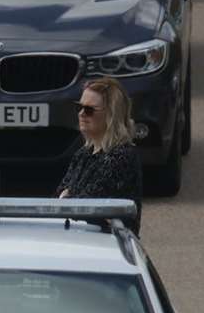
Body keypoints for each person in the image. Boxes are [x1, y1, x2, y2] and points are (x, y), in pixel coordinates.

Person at [57, 78, 144, 234]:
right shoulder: (83, 153)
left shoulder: (122, 156)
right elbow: (59, 198)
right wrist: (67, 200)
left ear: (111, 115)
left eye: (89, 110)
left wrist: (67, 199)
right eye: (79, 107)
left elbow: (89, 206)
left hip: (111, 247)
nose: (81, 113)